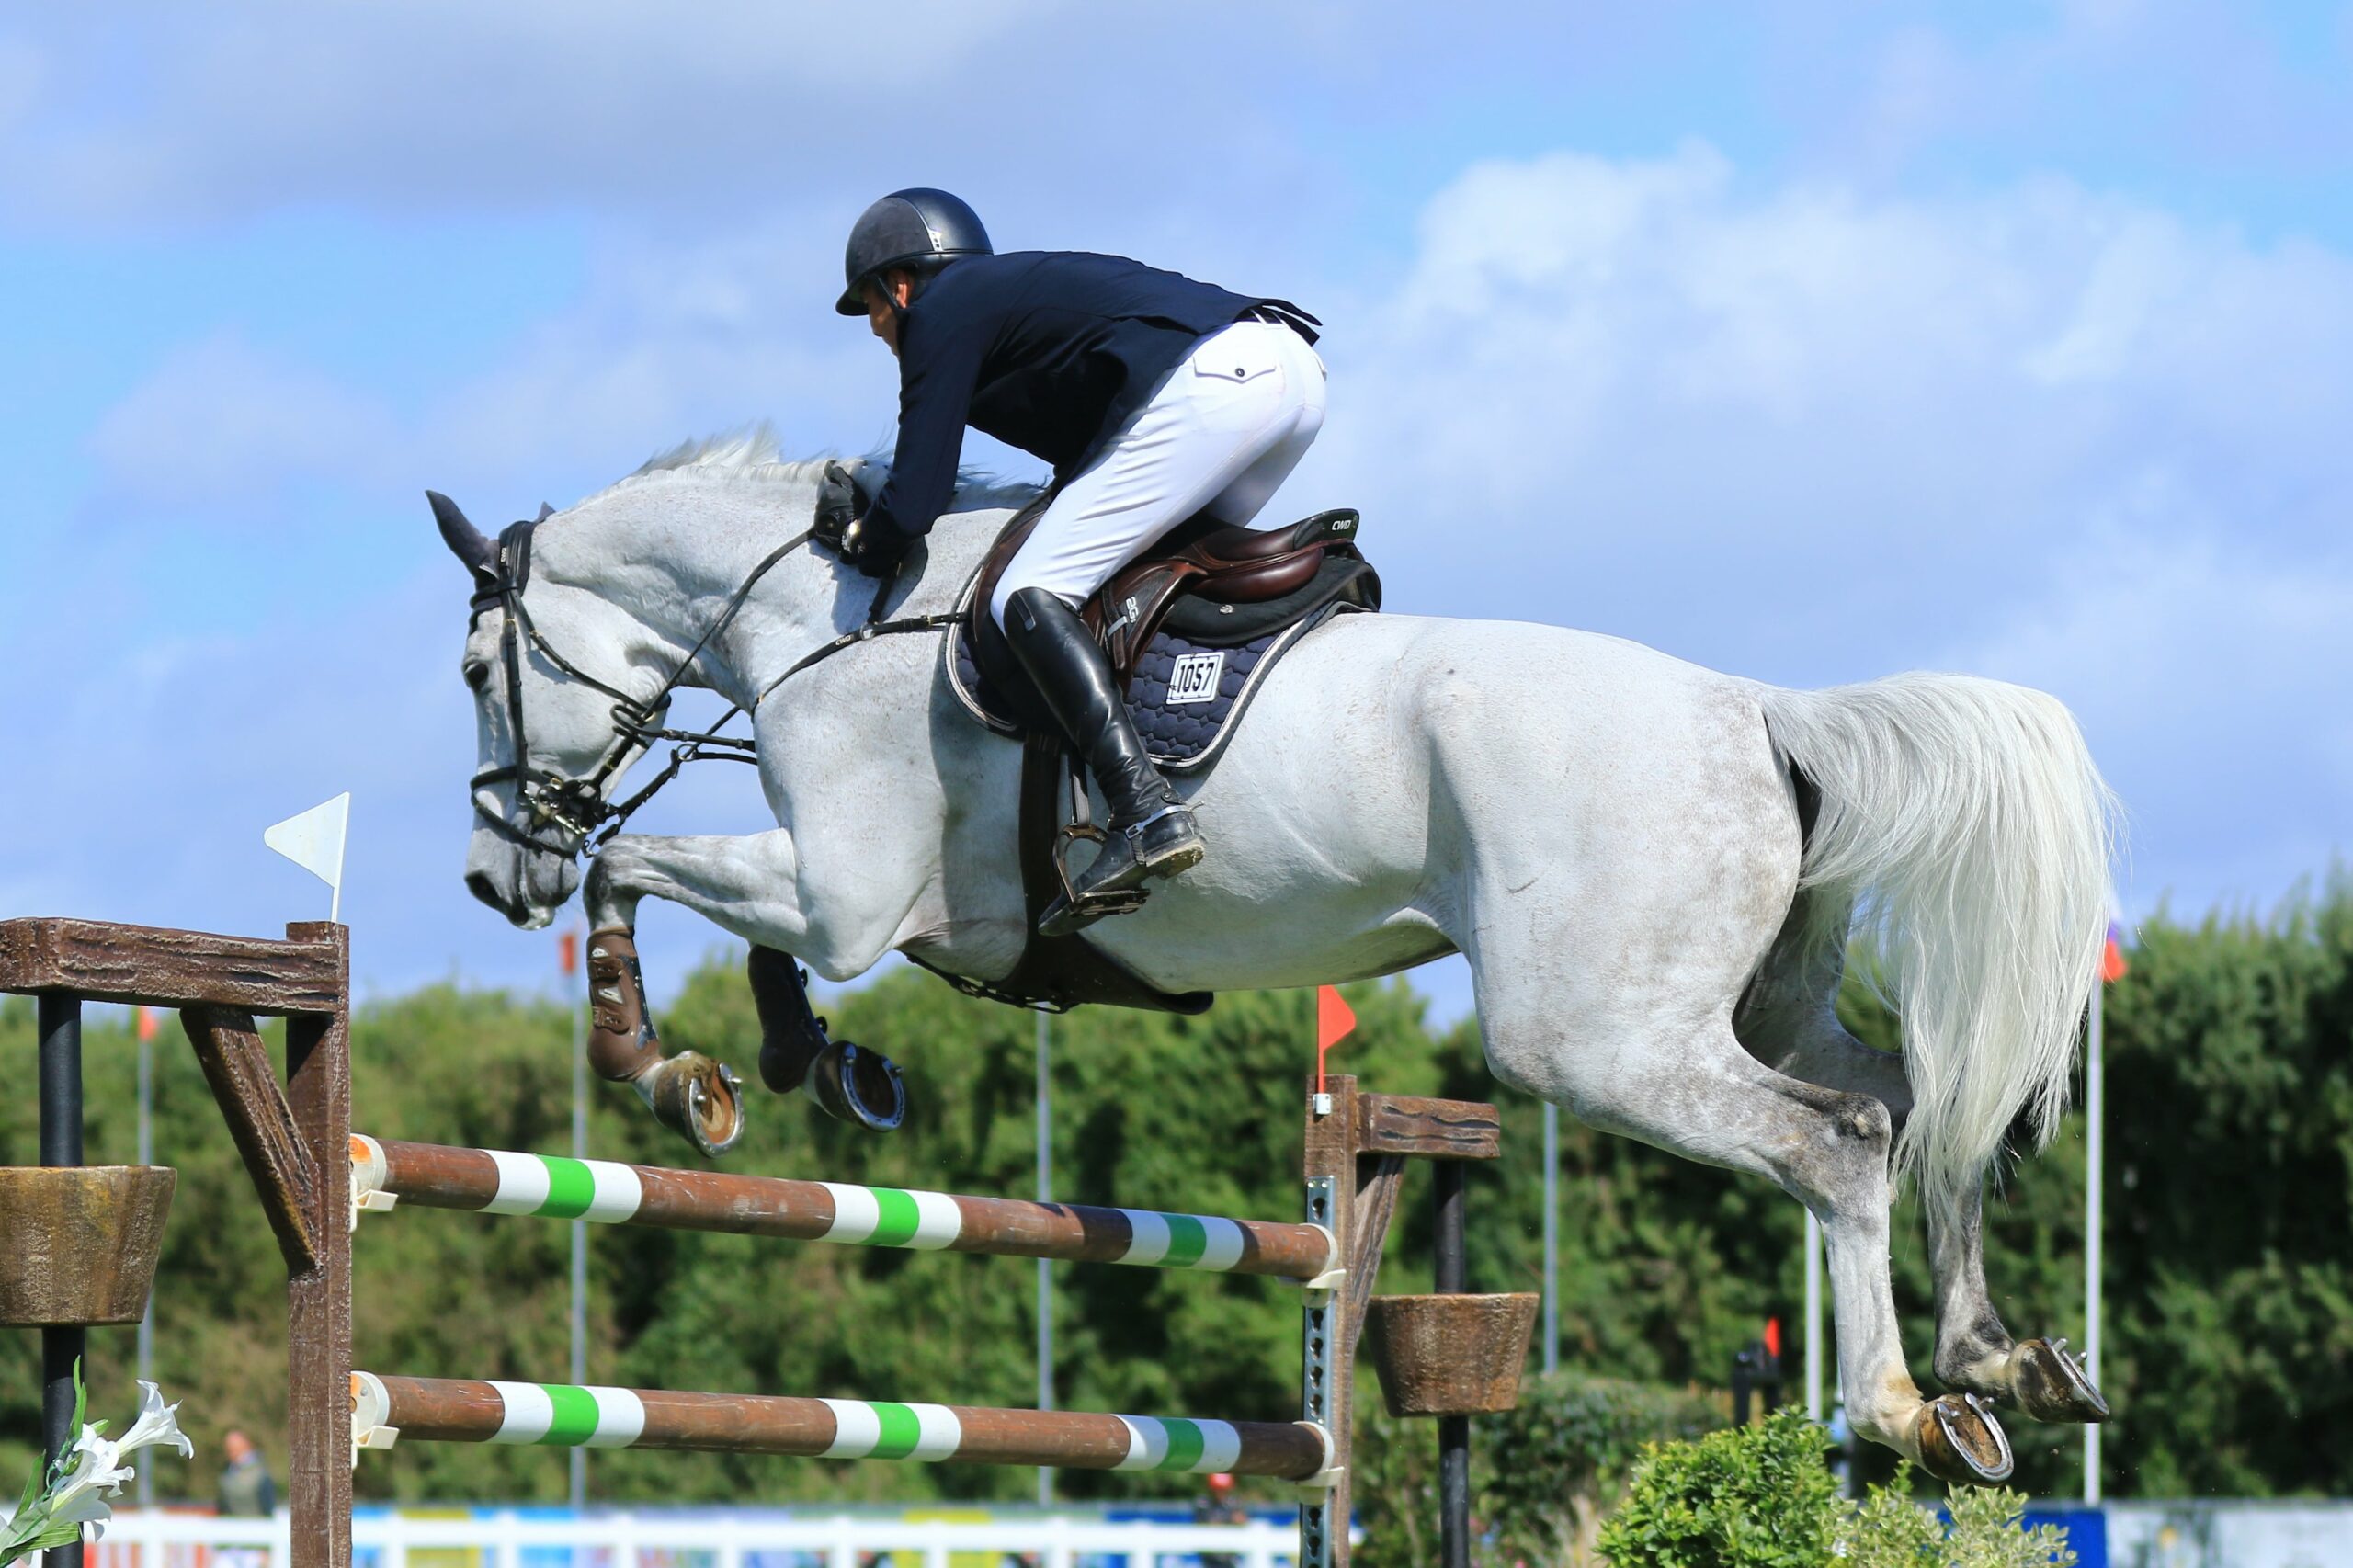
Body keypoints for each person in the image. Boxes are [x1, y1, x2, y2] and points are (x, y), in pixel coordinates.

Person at [835, 188, 1326, 934]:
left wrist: (861, 539)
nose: (876, 330)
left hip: (1218, 384)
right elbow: (1092, 459)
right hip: (1289, 377)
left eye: (870, 306)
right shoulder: (1005, 308)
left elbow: (915, 500)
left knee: (1028, 591)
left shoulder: (940, 313)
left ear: (900, 285)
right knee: (1141, 573)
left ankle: (1143, 809)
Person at [216, 1428, 277, 1517]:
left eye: (235, 1448)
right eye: (229, 1449)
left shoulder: (261, 1475)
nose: (232, 1452)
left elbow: (267, 1508)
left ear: (246, 1445)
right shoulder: (226, 1475)